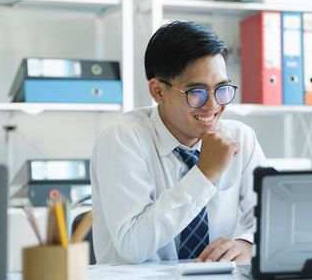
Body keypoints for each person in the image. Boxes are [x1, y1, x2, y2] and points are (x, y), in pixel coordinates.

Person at [90, 21, 267, 264]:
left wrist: (247, 244)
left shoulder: (240, 139)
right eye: (197, 92)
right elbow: (132, 246)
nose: (213, 105)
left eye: (221, 88)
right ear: (158, 91)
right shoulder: (123, 138)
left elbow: (272, 222)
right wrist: (204, 175)